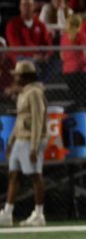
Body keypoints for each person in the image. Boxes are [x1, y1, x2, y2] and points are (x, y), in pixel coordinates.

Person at [1, 61, 48, 227]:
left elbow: (37, 119)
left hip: (30, 139)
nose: (15, 77)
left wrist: (34, 147)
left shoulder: (34, 93)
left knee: (35, 175)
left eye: (18, 75)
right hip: (21, 138)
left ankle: (39, 213)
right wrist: (12, 139)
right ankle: (7, 212)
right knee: (13, 174)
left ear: (26, 77)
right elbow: (20, 118)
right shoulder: (24, 93)